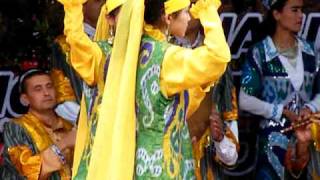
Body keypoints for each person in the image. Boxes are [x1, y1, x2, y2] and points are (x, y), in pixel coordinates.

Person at [135, 0, 230, 178]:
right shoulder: (167, 56)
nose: (190, 17)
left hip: (143, 162)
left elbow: (174, 110)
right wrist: (207, 9)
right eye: (186, 12)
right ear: (168, 17)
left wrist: (200, 82)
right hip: (163, 166)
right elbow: (218, 57)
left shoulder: (142, 48)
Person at [57, 0, 144, 179]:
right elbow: (77, 40)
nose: (132, 17)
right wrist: (73, 7)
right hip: (104, 157)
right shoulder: (99, 55)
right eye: (125, 12)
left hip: (143, 156)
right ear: (110, 19)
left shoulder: (155, 54)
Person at [239, 0, 319, 179]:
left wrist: (310, 108)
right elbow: (244, 100)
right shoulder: (260, 53)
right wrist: (280, 110)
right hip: (272, 146)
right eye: (295, 10)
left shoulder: (310, 51)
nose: (301, 16)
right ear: (276, 14)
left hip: (307, 143)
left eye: (302, 10)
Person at [173, 16, 239, 179]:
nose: (189, 11)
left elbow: (231, 156)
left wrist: (220, 138)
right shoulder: (157, 55)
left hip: (206, 167)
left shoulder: (218, 58)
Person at [0, 69, 76, 179]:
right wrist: (65, 143)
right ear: (25, 99)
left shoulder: (69, 126)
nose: (46, 93)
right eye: (38, 89)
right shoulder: (16, 127)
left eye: (49, 86)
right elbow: (28, 172)